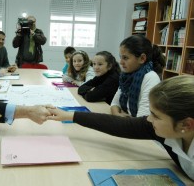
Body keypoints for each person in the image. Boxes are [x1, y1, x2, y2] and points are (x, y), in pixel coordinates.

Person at [47, 75, 194, 181]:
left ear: (186, 125)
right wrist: (69, 116)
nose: (148, 119)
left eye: (155, 116)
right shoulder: (169, 128)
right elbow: (119, 125)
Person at [111, 34, 165, 117]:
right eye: (120, 57)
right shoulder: (126, 76)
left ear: (142, 58)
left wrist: (121, 117)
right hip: (129, 123)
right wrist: (118, 115)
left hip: (138, 127)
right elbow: (114, 104)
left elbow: (143, 119)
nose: (121, 62)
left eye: (125, 58)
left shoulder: (151, 78)